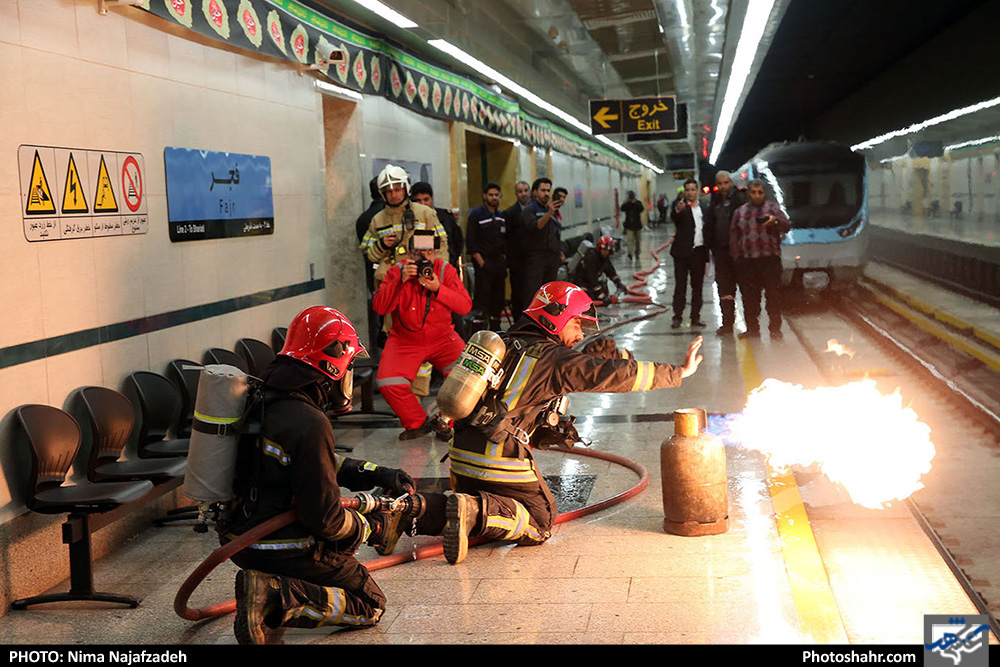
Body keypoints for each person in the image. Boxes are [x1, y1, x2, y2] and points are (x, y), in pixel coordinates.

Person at [442, 281, 704, 564]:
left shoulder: (502, 342)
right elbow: (613, 374)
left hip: (459, 458)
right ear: (556, 317)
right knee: (540, 520)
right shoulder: (553, 359)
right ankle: (475, 510)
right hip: (496, 459)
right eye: (577, 324)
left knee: (454, 509)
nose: (580, 334)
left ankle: (412, 510)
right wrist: (677, 373)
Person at [226, 306, 417, 644]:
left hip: (240, 543)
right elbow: (326, 521)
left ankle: (269, 585)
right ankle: (275, 598)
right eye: (349, 364)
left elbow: (312, 463)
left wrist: (376, 473)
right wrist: (371, 526)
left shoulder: (264, 397)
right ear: (332, 363)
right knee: (370, 603)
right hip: (287, 546)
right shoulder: (309, 422)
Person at [372, 230, 472, 439]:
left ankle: (446, 422)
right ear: (409, 252)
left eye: (428, 251)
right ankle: (417, 423)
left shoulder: (446, 271)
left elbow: (464, 306)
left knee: (468, 376)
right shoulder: (395, 271)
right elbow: (380, 307)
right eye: (418, 252)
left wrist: (438, 288)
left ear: (435, 252)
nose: (424, 257)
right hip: (404, 339)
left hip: (443, 337)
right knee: (388, 381)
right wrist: (399, 281)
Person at [360, 165, 448, 288]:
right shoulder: (378, 220)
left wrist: (438, 278)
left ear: (406, 189)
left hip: (422, 282)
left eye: (397, 190)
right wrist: (382, 245)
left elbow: (441, 248)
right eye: (389, 191)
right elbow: (370, 256)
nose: (393, 195)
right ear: (383, 194)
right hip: (392, 285)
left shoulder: (425, 214)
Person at [730, 178, 790, 340]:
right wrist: (737, 258)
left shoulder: (773, 209)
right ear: (748, 193)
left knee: (773, 296)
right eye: (754, 192)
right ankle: (752, 329)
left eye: (760, 192)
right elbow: (734, 235)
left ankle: (775, 329)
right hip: (748, 262)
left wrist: (775, 222)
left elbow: (787, 226)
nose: (757, 196)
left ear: (764, 193)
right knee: (750, 298)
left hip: (769, 261)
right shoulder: (740, 212)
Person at [704, 171, 747, 336]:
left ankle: (751, 326)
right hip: (721, 253)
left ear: (731, 183)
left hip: (740, 254)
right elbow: (709, 225)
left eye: (726, 183)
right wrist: (711, 248)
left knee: (745, 289)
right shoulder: (715, 202)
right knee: (725, 290)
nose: (723, 187)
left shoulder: (741, 199)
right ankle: (727, 324)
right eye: (720, 183)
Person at [669, 178, 710, 329]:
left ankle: (695, 317)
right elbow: (674, 217)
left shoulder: (704, 209)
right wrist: (677, 211)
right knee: (680, 286)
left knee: (697, 287)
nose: (690, 192)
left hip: (698, 252)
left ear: (697, 191)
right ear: (684, 192)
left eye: (693, 189)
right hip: (681, 254)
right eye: (687, 190)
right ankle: (677, 316)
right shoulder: (680, 206)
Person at [466, 181, 507, 330]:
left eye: (496, 195)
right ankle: (479, 331)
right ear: (485, 196)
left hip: (498, 264)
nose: (494, 197)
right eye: (491, 195)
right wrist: (481, 262)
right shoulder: (476, 214)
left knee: (498, 298)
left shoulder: (501, 216)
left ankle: (496, 330)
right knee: (482, 298)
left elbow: (504, 239)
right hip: (484, 263)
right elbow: (470, 240)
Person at [519, 178, 563, 309]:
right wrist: (549, 213)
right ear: (534, 192)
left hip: (551, 257)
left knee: (551, 293)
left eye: (548, 190)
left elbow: (554, 233)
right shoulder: (530, 210)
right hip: (536, 259)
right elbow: (536, 226)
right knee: (535, 293)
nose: (546, 194)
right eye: (543, 190)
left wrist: (559, 251)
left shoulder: (552, 211)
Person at [410, 181, 464, 269]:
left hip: (447, 267)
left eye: (426, 199)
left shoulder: (446, 217)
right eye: (418, 201)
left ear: (432, 199)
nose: (423, 204)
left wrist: (451, 260)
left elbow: (458, 241)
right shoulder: (410, 220)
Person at [504, 180, 532, 319]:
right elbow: (506, 238)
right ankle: (518, 324)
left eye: (526, 190)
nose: (523, 194)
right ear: (516, 194)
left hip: (534, 261)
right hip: (517, 262)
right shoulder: (510, 213)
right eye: (520, 191)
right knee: (518, 294)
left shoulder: (537, 210)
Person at [571, 236, 626, 303]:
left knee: (604, 293)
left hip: (592, 283)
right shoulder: (591, 258)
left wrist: (618, 283)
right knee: (589, 299)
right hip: (582, 283)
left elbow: (610, 271)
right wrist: (600, 295)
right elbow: (591, 277)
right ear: (599, 248)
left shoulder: (604, 258)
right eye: (604, 249)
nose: (605, 252)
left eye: (607, 250)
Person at [620, 190, 644, 262]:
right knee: (630, 240)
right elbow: (622, 208)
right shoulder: (627, 204)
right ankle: (630, 253)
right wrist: (628, 202)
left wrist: (635, 203)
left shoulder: (638, 203)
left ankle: (637, 252)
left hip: (637, 225)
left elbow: (641, 209)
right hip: (629, 225)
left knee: (638, 240)